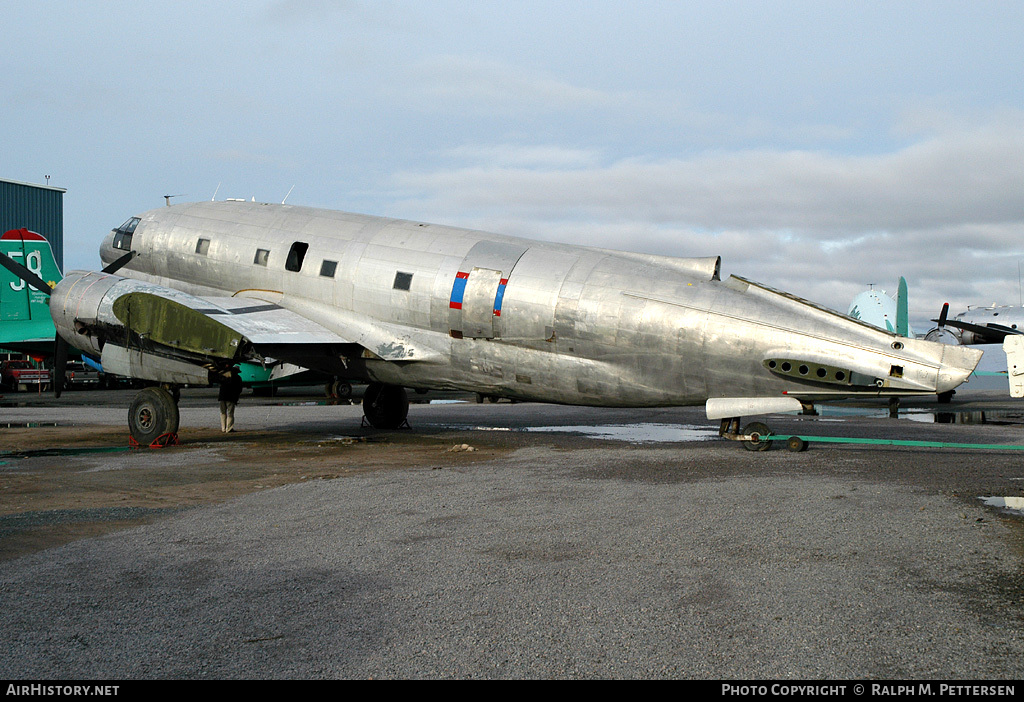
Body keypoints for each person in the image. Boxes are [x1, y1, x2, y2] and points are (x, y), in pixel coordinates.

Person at [218, 366, 243, 433]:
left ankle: (223, 428)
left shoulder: (224, 377)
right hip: (231, 398)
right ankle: (229, 428)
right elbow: (239, 389)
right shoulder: (238, 378)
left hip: (222, 397)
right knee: (230, 414)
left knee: (223, 413)